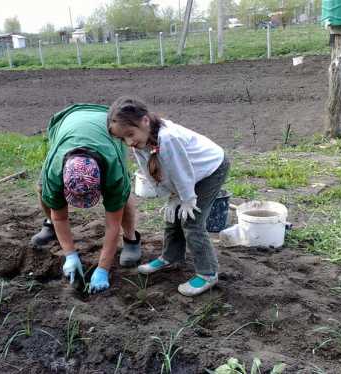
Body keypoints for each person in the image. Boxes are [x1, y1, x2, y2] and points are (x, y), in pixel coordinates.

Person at [107, 96, 230, 297]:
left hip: (211, 168)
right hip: (190, 173)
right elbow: (153, 172)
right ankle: (171, 256)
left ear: (145, 121)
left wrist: (187, 199)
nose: (129, 142)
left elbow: (181, 171)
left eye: (130, 134)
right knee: (172, 216)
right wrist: (172, 195)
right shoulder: (141, 142)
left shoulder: (168, 138)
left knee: (191, 220)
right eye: (123, 139)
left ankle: (208, 273)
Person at [31, 103, 141, 294]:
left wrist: (103, 269)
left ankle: (131, 239)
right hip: (69, 121)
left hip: (107, 125)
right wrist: (70, 255)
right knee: (43, 190)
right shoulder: (54, 171)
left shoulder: (113, 171)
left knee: (122, 197)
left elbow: (111, 224)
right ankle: (49, 224)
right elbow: (61, 217)